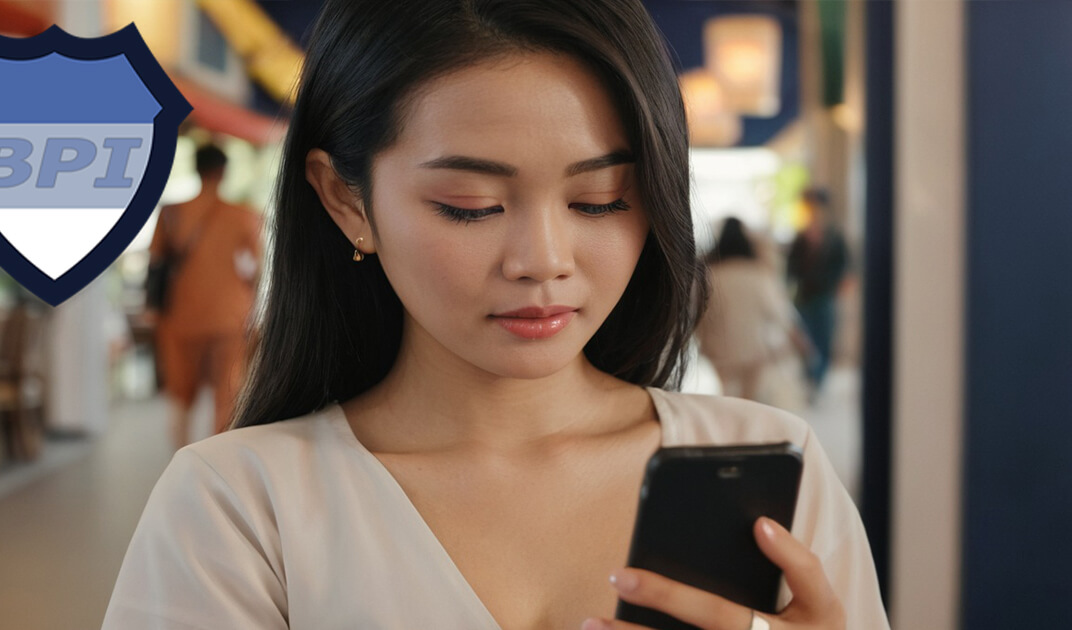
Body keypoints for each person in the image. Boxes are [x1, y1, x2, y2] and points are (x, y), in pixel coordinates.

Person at [105, 1, 888, 628]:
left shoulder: (774, 471)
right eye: (470, 206)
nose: (543, 259)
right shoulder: (239, 507)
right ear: (347, 200)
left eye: (600, 200)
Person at [147, 145, 263, 447]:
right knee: (227, 397)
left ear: (196, 169)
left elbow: (155, 262)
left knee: (180, 397)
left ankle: (179, 460)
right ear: (224, 173)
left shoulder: (171, 213)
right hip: (230, 316)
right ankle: (217, 468)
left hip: (179, 318)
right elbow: (255, 268)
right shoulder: (244, 215)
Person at [697, 218, 812, 409]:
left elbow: (698, 315)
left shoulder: (709, 275)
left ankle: (729, 428)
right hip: (752, 349)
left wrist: (702, 342)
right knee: (749, 401)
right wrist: (799, 340)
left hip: (718, 348)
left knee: (727, 394)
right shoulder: (757, 274)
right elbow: (779, 314)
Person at [786, 189, 850, 390]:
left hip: (825, 297)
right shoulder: (800, 238)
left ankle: (818, 380)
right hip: (804, 297)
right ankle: (810, 378)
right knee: (806, 341)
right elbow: (791, 268)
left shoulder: (834, 238)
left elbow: (843, 267)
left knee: (824, 340)